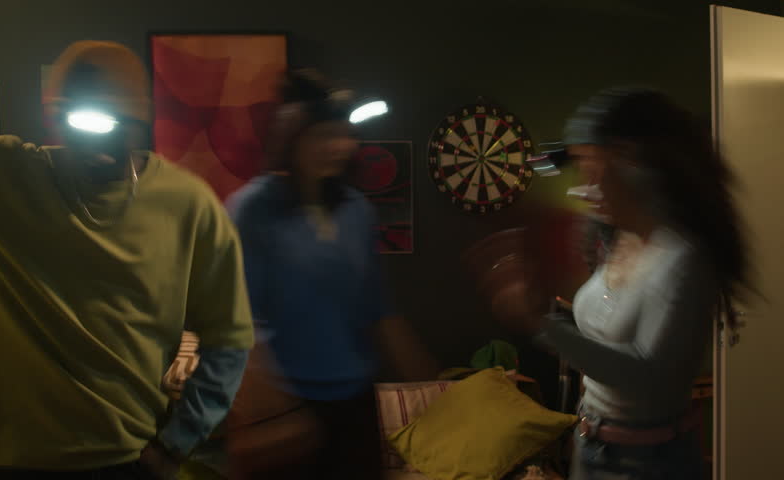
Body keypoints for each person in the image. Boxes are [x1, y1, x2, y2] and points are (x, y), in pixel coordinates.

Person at [0, 40, 254, 479]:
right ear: (57, 118)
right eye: (82, 121)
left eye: (117, 122)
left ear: (142, 119)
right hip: (16, 460)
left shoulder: (186, 203)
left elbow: (230, 338)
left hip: (131, 458)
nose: (99, 139)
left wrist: (178, 442)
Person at [473, 87, 750, 479]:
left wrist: (541, 324)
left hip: (648, 463)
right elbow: (604, 336)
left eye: (590, 162)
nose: (583, 179)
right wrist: (543, 304)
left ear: (629, 161)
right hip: (592, 447)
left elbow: (645, 376)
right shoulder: (619, 237)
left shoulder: (684, 257)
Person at [225, 70, 426, 480]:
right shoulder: (251, 210)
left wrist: (429, 380)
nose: (339, 146)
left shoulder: (356, 209)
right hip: (288, 406)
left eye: (344, 134)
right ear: (293, 138)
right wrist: (274, 410)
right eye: (323, 135)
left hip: (355, 405)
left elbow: (379, 309)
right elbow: (241, 321)